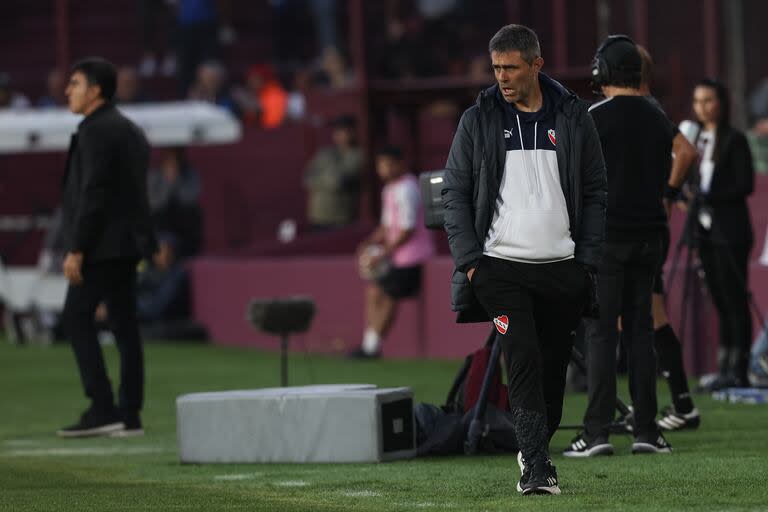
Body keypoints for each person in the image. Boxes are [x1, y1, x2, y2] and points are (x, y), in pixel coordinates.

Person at [442, 24, 606, 495]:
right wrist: (472, 261)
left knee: (554, 368)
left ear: (537, 64)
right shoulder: (478, 119)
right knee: (524, 358)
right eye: (496, 69)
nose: (502, 78)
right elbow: (454, 191)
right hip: (500, 270)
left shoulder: (574, 116)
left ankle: (536, 444)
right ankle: (536, 466)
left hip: (564, 269)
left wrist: (587, 261)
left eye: (510, 68)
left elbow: (595, 190)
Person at [563, 35, 684, 458]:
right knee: (640, 333)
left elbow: (570, 173)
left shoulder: (594, 116)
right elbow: (681, 155)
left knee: (600, 335)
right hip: (649, 236)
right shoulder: (657, 116)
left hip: (606, 239)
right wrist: (668, 196)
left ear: (604, 72)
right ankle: (647, 431)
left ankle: (596, 434)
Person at [57, 58, 157, 438]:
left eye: (75, 83)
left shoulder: (96, 131)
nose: (69, 90)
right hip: (127, 243)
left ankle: (102, 407)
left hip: (101, 245)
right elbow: (135, 193)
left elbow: (93, 193)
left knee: (76, 316)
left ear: (95, 90)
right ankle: (129, 412)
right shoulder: (130, 130)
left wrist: (77, 247)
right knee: (125, 327)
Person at [636, 45, 701, 431]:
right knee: (637, 316)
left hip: (640, 227)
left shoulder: (647, 111)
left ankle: (675, 402)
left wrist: (668, 195)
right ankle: (674, 401)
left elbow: (685, 151)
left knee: (644, 314)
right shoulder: (648, 111)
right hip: (645, 226)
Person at [688, 79, 755, 390]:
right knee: (718, 297)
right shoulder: (696, 140)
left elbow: (745, 184)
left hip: (730, 231)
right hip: (705, 232)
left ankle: (739, 367)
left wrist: (708, 196)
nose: (703, 107)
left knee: (734, 298)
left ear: (721, 103)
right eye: (698, 101)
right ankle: (724, 365)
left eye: (708, 100)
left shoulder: (734, 139)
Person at [350, 145, 435, 359]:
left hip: (413, 258)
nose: (384, 169)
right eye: (381, 165)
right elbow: (387, 226)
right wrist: (368, 243)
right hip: (396, 257)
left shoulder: (408, 188)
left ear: (400, 164)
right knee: (373, 292)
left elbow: (407, 229)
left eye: (388, 164)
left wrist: (382, 253)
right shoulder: (389, 189)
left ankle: (371, 348)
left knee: (388, 295)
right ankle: (369, 343)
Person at [303, 115, 363, 230]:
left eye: (343, 131)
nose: (340, 135)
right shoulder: (325, 153)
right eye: (337, 131)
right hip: (318, 216)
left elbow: (338, 181)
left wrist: (321, 178)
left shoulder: (357, 155)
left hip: (341, 217)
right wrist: (328, 177)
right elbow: (308, 178)